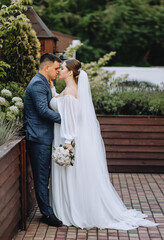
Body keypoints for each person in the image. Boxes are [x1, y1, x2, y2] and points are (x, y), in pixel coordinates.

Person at [49, 58, 159, 230]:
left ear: (70, 72)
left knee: (72, 176)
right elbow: (59, 101)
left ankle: (73, 211)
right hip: (68, 139)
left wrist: (68, 144)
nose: (59, 70)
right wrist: (52, 89)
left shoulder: (71, 93)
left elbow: (70, 121)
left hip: (68, 141)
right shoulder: (70, 90)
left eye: (62, 68)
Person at [24, 53, 63, 227]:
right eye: (56, 68)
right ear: (46, 67)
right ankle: (46, 214)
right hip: (39, 138)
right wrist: (64, 119)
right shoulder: (38, 84)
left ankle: (47, 209)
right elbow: (42, 111)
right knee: (41, 177)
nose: (58, 71)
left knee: (43, 175)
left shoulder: (44, 82)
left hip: (43, 137)